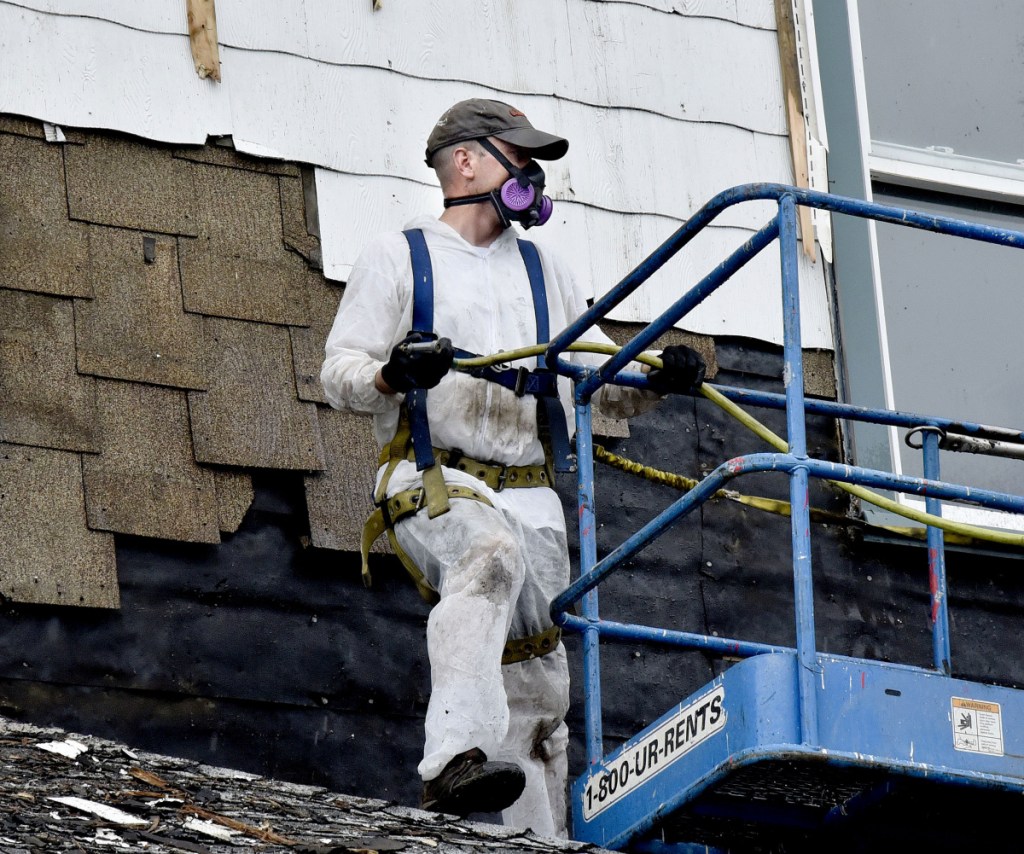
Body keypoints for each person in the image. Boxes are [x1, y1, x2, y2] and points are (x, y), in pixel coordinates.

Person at [320, 98, 705, 838]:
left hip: (529, 491)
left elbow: (593, 377)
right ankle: (451, 761)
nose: (530, 173)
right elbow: (338, 370)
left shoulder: (544, 270)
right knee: (487, 558)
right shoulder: (400, 256)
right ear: (466, 162)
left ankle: (534, 835)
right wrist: (393, 375)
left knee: (537, 672)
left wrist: (656, 375)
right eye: (517, 157)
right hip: (433, 475)